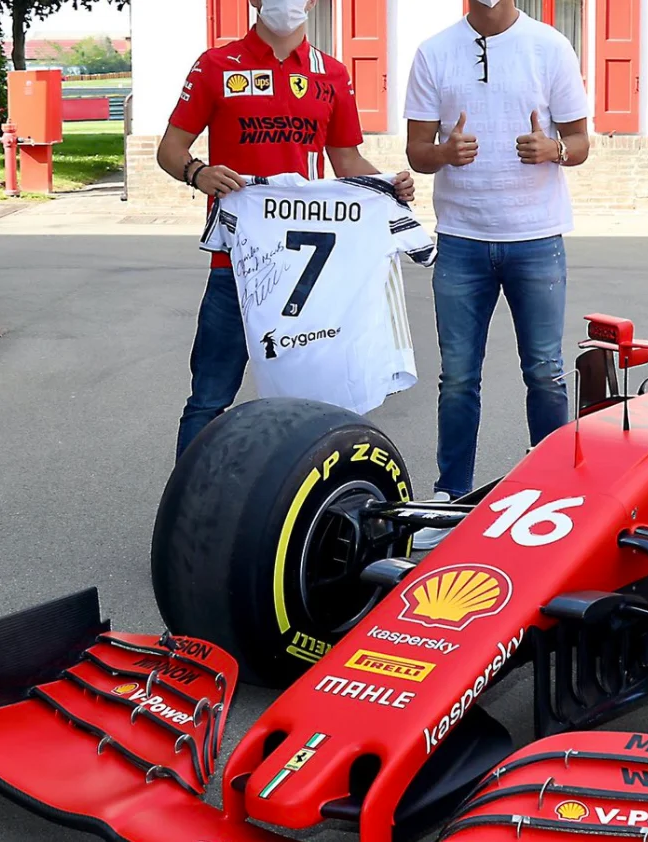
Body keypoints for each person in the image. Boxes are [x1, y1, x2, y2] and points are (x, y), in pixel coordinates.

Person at [156, 0, 415, 460]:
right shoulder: (217, 64)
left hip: (310, 273)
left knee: (313, 400)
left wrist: (386, 186)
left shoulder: (330, 73)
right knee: (209, 399)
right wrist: (197, 171)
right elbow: (170, 148)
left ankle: (304, 505)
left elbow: (348, 161)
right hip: (237, 262)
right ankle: (186, 513)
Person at [401, 0, 591, 549]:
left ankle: (554, 498)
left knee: (545, 372)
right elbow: (416, 151)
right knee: (458, 377)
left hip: (536, 237)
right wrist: (444, 152)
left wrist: (553, 148)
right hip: (462, 238)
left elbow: (581, 143)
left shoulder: (549, 46)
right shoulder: (434, 52)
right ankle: (450, 498)